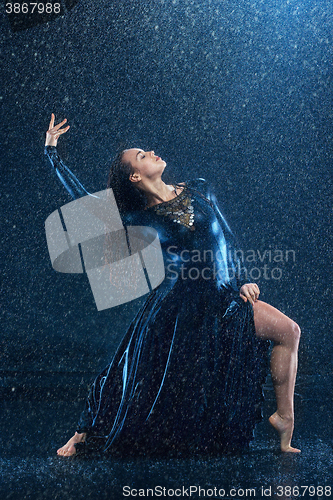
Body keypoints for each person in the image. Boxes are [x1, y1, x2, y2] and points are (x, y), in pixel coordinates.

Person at [44, 113, 301, 456]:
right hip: (177, 308)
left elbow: (225, 236)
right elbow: (83, 201)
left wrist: (243, 278)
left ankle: (285, 417)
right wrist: (52, 152)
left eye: (147, 150)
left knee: (289, 331)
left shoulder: (199, 187)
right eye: (141, 156)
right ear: (135, 175)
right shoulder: (138, 217)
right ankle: (83, 433)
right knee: (131, 373)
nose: (151, 152)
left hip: (224, 298)